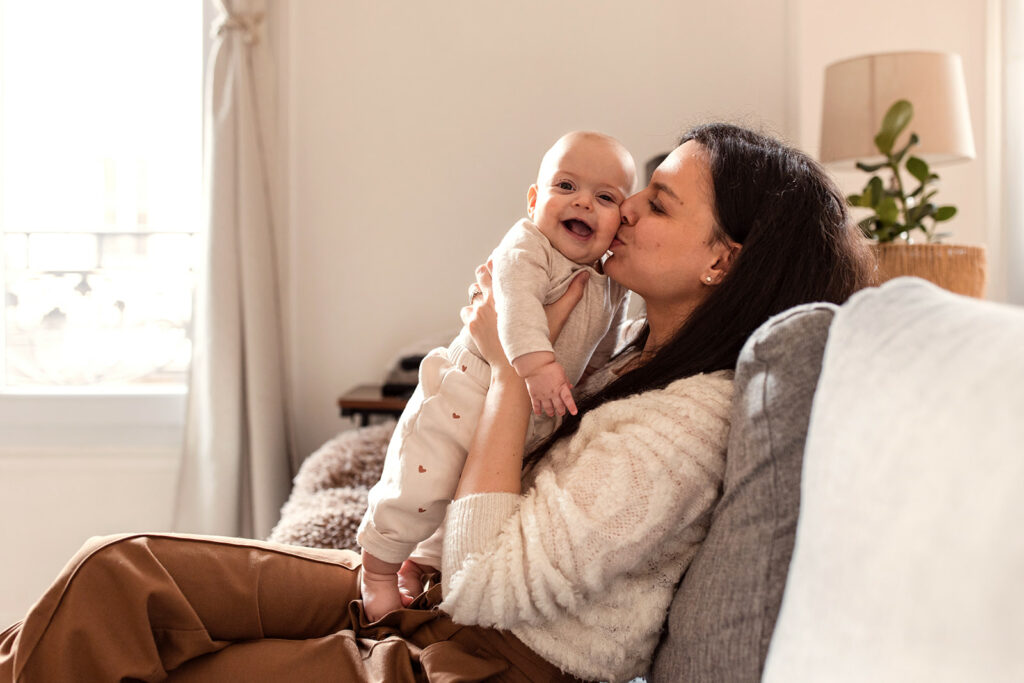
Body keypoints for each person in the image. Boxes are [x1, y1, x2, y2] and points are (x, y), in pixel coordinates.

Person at [0, 123, 873, 683]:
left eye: (656, 201)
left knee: (147, 647)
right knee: (121, 571)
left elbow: (494, 578)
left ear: (722, 260)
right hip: (441, 603)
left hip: (487, 660)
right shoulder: (631, 348)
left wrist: (504, 368)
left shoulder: (689, 426)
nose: (623, 209)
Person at [358, 130, 637, 622]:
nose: (583, 203)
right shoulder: (528, 247)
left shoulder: (611, 281)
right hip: (468, 389)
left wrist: (592, 378)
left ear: (620, 220)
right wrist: (537, 365)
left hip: (531, 409)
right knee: (422, 484)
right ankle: (377, 569)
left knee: (466, 493)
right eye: (566, 187)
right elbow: (514, 304)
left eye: (605, 197)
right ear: (535, 200)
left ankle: (419, 563)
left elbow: (603, 344)